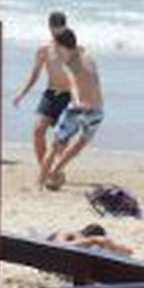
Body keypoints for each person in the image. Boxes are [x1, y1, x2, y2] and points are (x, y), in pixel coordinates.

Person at [38, 27, 102, 190]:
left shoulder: (68, 64)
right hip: (97, 109)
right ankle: (54, 172)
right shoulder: (87, 55)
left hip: (78, 109)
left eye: (57, 47)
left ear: (62, 47)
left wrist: (78, 100)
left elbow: (73, 84)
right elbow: (93, 79)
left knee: (56, 146)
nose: (56, 52)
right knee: (80, 143)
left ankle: (42, 181)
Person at [11, 11, 73, 179]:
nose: (57, 32)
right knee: (38, 131)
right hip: (51, 94)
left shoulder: (73, 48)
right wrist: (21, 94)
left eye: (60, 28)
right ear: (49, 28)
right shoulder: (44, 50)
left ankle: (58, 168)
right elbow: (35, 75)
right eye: (54, 28)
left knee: (61, 139)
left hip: (71, 96)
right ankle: (45, 170)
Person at [48, 222, 131, 257]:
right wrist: (91, 241)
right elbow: (58, 245)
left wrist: (111, 245)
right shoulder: (67, 232)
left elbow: (129, 252)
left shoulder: (90, 243)